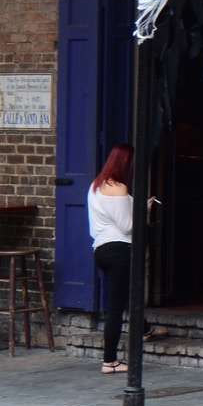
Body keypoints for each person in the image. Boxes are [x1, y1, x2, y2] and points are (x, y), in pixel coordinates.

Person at [88, 145, 135, 375]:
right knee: (115, 307)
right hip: (119, 249)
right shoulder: (119, 188)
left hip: (101, 249)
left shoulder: (96, 186)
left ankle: (144, 328)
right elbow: (127, 227)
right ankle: (110, 361)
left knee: (119, 298)